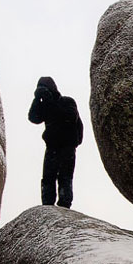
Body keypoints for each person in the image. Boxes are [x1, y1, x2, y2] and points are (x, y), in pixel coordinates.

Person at [28, 76, 83, 208]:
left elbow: (69, 117)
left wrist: (49, 100)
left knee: (65, 176)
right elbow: (33, 118)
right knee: (48, 176)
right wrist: (37, 99)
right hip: (52, 146)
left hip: (67, 146)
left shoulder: (67, 101)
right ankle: (47, 204)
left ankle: (65, 204)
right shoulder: (45, 105)